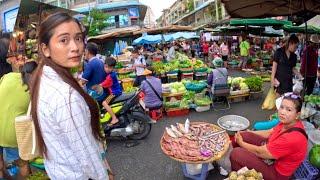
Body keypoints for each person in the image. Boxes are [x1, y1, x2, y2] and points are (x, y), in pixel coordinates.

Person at [29, 12, 113, 179]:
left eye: (78, 38)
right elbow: (86, 153)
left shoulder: (44, 79)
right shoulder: (65, 97)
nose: (75, 47)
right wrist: (105, 175)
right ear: (46, 49)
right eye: (63, 40)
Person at [230, 92, 307, 180]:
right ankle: (235, 164)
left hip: (276, 172)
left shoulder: (293, 138)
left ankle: (239, 174)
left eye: (288, 110)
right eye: (282, 107)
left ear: (297, 115)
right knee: (244, 135)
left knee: (236, 153)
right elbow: (269, 132)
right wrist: (250, 132)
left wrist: (242, 143)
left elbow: (261, 152)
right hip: (272, 154)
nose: (282, 112)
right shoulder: (286, 122)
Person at [0, 61, 37, 179]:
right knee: (23, 164)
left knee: (0, 163)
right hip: (13, 134)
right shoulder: (33, 89)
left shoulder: (8, 76)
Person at [94, 57, 122, 126]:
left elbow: (106, 83)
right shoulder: (111, 73)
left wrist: (98, 85)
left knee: (104, 103)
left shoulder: (111, 76)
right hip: (115, 91)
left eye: (109, 68)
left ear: (113, 68)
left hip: (115, 92)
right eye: (106, 67)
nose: (107, 69)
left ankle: (114, 118)